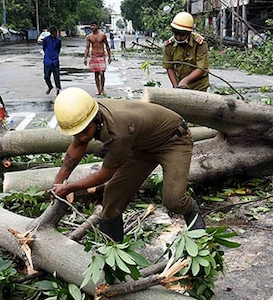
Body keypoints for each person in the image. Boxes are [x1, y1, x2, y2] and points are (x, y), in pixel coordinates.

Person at [50, 87, 205, 242]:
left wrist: (69, 187)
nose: (82, 137)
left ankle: (195, 219)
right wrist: (57, 184)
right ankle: (112, 248)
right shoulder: (83, 117)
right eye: (77, 133)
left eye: (84, 132)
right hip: (141, 146)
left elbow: (105, 174)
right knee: (113, 196)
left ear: (95, 118)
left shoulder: (118, 131)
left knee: (174, 200)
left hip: (173, 140)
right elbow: (76, 148)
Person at [162, 12, 210, 91]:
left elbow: (201, 68)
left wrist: (185, 81)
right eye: (176, 34)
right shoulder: (169, 45)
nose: (178, 37)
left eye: (182, 35)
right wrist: (176, 86)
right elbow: (169, 67)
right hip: (180, 84)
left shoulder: (200, 44)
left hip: (199, 86)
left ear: (188, 33)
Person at [83, 21, 112, 96]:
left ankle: (102, 89)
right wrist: (85, 58)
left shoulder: (102, 36)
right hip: (94, 55)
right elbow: (87, 47)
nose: (92, 27)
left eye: (94, 25)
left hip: (101, 55)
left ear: (97, 26)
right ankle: (98, 90)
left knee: (102, 73)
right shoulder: (89, 37)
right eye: (91, 26)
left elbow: (107, 46)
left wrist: (109, 56)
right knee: (96, 74)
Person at [41, 25, 62, 95]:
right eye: (52, 33)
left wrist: (55, 55)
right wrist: (48, 54)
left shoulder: (58, 40)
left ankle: (58, 90)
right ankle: (50, 87)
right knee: (46, 76)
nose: (53, 35)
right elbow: (44, 48)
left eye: (55, 33)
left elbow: (58, 49)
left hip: (55, 61)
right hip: (47, 60)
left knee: (57, 77)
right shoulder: (46, 40)